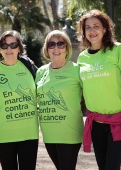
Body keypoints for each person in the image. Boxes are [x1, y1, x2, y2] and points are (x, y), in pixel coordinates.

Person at [77, 9, 121, 170]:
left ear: (105, 28)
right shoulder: (82, 58)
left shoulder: (118, 50)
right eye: (88, 27)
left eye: (96, 26)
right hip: (95, 123)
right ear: (83, 32)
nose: (92, 31)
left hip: (117, 122)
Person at [0, 30, 39, 170]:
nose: (9, 49)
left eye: (13, 45)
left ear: (20, 48)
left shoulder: (29, 66)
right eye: (4, 46)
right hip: (3, 133)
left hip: (29, 132)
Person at [35, 30, 83, 170]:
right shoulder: (40, 72)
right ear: (47, 48)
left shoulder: (77, 70)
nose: (56, 48)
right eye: (52, 44)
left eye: (60, 44)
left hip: (69, 132)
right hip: (49, 132)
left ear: (67, 48)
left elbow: (92, 93)